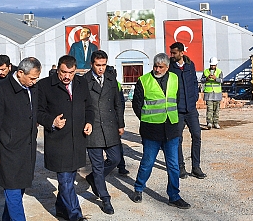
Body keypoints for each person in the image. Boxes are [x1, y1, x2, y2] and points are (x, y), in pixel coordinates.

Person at [37, 55, 94, 221]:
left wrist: (89, 122)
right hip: (58, 141)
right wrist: (52, 121)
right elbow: (38, 112)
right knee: (66, 180)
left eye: (71, 72)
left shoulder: (82, 83)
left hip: (77, 140)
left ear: (75, 70)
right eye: (63, 72)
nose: (67, 76)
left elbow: (89, 107)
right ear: (57, 70)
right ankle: (76, 215)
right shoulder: (45, 85)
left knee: (69, 178)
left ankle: (61, 209)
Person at [0, 57, 42, 221]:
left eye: (36, 78)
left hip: (27, 148)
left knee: (18, 189)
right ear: (20, 73)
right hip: (7, 150)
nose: (34, 81)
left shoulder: (32, 88)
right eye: (32, 78)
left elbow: (36, 113)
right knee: (13, 190)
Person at [131, 53, 190, 209]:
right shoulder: (143, 81)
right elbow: (137, 105)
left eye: (160, 67)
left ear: (167, 67)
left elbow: (176, 100)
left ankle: (174, 196)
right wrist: (147, 119)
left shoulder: (175, 79)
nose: (157, 69)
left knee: (173, 165)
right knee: (147, 163)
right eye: (155, 66)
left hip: (171, 128)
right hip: (151, 130)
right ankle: (138, 189)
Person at [83, 51, 125, 215]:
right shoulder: (84, 81)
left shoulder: (111, 79)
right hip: (92, 127)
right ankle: (105, 198)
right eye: (98, 65)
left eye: (103, 65)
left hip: (110, 125)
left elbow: (118, 103)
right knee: (98, 165)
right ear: (91, 64)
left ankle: (93, 178)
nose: (101, 68)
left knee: (115, 158)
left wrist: (120, 124)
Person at [168, 42, 206, 179]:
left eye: (174, 53)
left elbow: (195, 83)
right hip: (177, 110)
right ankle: (181, 167)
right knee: (177, 139)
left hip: (191, 109)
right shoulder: (170, 68)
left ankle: (196, 167)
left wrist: (195, 96)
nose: (172, 55)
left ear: (182, 53)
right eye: (171, 52)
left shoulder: (190, 65)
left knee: (197, 136)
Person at [201, 57, 223, 130]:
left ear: (216, 65)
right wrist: (206, 79)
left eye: (213, 65)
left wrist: (215, 78)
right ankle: (209, 123)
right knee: (209, 109)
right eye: (211, 65)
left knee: (216, 109)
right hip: (209, 93)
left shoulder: (219, 71)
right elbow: (202, 80)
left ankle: (216, 122)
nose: (212, 67)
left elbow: (222, 80)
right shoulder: (206, 71)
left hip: (217, 93)